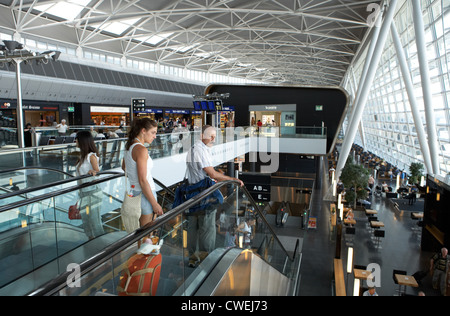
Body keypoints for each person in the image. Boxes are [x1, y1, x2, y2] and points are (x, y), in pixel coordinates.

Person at [185, 125, 244, 266]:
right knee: (206, 230)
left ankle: (193, 259)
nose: (213, 139)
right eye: (210, 135)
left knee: (193, 229)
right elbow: (211, 173)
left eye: (214, 136)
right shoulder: (200, 150)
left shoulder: (194, 149)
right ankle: (206, 261)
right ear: (201, 136)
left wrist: (215, 175)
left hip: (192, 195)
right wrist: (233, 179)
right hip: (204, 197)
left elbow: (205, 172)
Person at [122, 118, 163, 229]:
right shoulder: (141, 149)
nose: (155, 136)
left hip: (136, 192)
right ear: (143, 131)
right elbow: (143, 180)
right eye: (153, 132)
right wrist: (155, 204)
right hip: (145, 194)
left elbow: (124, 167)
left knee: (141, 232)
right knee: (147, 234)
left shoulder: (129, 146)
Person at [75, 131, 104, 239]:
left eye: (77, 139)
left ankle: (102, 246)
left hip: (92, 192)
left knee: (94, 220)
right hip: (83, 192)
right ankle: (91, 242)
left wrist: (93, 172)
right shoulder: (82, 156)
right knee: (86, 220)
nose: (75, 141)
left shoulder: (91, 156)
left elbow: (97, 171)